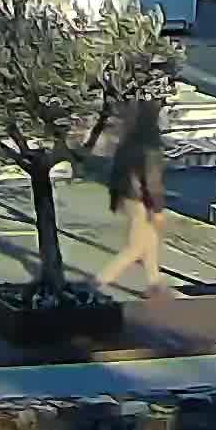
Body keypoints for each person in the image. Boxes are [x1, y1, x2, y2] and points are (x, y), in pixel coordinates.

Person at [88, 97, 171, 299]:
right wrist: (158, 209)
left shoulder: (130, 138)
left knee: (149, 240)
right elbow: (152, 181)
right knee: (136, 248)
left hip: (128, 195)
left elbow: (117, 170)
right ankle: (97, 283)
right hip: (141, 200)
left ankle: (154, 283)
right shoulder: (150, 145)